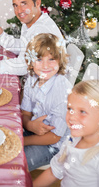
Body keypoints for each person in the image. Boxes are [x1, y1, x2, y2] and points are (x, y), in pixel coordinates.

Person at [34, 80, 99, 186]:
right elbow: (53, 172)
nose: (72, 117)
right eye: (70, 109)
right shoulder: (73, 140)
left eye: (82, 112)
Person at [21, 33, 72, 171]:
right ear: (31, 62)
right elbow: (25, 112)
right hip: (34, 130)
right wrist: (30, 125)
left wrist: (22, 141)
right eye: (39, 59)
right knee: (3, 142)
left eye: (51, 59)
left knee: (16, 164)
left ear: (60, 61)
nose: (45, 65)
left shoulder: (62, 92)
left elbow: (55, 137)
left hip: (53, 146)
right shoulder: (32, 78)